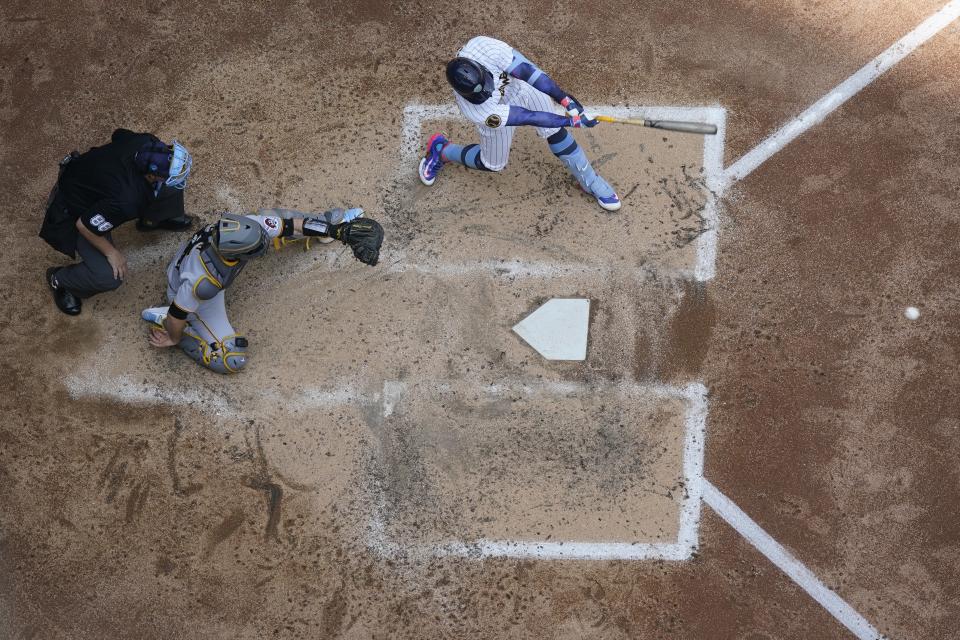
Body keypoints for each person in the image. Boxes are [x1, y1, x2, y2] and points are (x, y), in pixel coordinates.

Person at [141, 207, 384, 374]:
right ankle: (178, 331)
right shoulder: (202, 283)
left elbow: (289, 225)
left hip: (189, 266)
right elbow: (178, 313)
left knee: (273, 218)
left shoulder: (240, 227)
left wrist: (335, 231)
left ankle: (329, 225)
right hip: (189, 300)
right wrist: (173, 334)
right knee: (232, 359)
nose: (265, 248)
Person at [417, 35, 620, 212]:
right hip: (503, 112)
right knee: (491, 164)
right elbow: (527, 116)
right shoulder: (477, 110)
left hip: (521, 88)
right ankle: (442, 150)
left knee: (555, 131)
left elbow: (528, 72)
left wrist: (565, 99)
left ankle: (590, 181)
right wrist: (572, 121)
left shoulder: (485, 48)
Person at [40, 128, 194, 315]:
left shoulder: (147, 142)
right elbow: (85, 225)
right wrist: (111, 252)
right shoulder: (127, 200)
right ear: (151, 175)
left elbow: (118, 134)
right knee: (109, 277)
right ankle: (60, 280)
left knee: (170, 187)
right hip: (74, 207)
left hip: (95, 183)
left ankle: (155, 219)